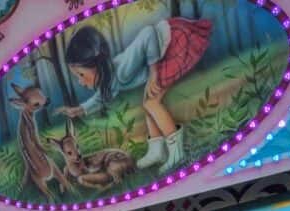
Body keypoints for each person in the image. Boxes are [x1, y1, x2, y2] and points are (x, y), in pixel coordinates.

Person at [56, 19, 211, 175]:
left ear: (97, 65)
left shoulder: (122, 70)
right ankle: (157, 150)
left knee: (151, 103)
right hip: (162, 52)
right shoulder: (109, 78)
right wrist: (80, 110)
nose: (80, 82)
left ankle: (177, 153)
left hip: (171, 44)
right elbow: (100, 98)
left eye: (81, 74)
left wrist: (153, 73)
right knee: (149, 103)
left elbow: (149, 32)